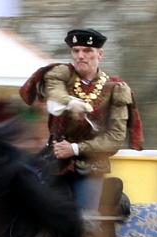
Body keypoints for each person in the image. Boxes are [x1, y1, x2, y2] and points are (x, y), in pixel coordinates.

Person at [20, 28, 144, 213]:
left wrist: (74, 149)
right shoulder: (61, 74)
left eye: (87, 51)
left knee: (85, 221)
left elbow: (115, 139)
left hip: (90, 166)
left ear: (100, 54)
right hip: (52, 160)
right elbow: (55, 92)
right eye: (76, 51)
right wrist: (71, 103)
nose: (80, 56)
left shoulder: (116, 89)